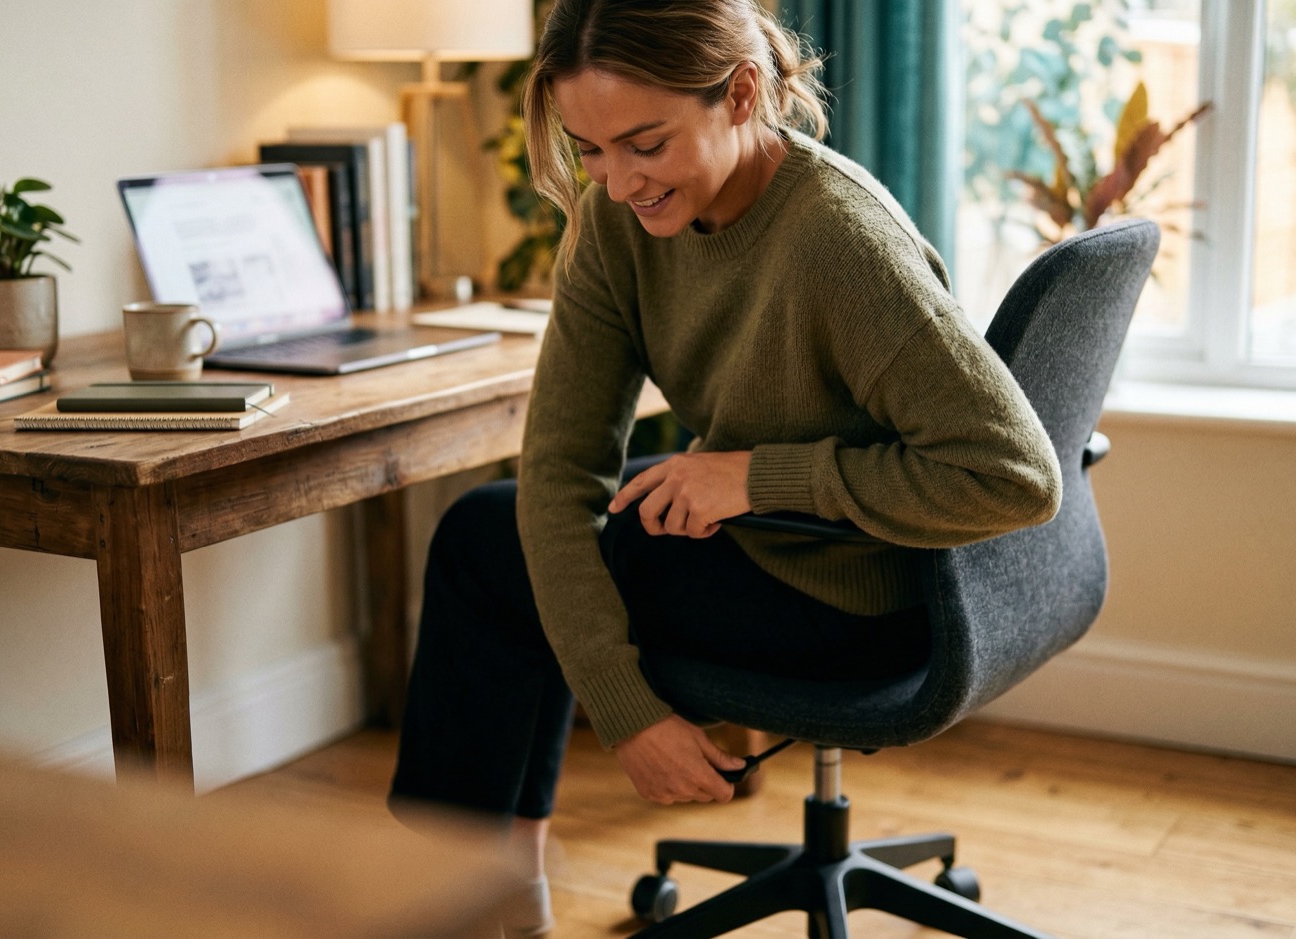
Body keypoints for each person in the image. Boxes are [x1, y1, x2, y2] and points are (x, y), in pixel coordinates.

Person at [388, 0, 1063, 934]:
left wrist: (756, 478)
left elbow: (1016, 475)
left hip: (859, 594)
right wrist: (627, 710)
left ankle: (454, 900)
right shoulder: (616, 224)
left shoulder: (839, 239)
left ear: (741, 94)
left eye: (647, 144)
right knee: (511, 531)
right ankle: (500, 895)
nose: (619, 181)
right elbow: (559, 472)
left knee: (481, 544)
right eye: (590, 149)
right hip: (767, 550)